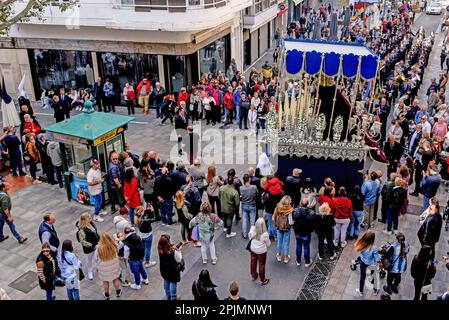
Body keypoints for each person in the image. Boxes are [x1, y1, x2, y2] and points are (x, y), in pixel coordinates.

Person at [94, 233, 122, 299]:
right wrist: (116, 239)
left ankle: (107, 294)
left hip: (104, 269)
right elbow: (120, 245)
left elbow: (95, 258)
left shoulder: (98, 249)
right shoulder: (114, 245)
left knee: (105, 281)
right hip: (114, 267)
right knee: (115, 279)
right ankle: (118, 292)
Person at [354, 230, 381, 297]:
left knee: (362, 278)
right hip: (372, 264)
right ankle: (375, 290)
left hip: (363, 263)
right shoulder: (374, 248)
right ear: (373, 239)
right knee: (374, 277)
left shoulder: (361, 244)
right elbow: (377, 258)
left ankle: (361, 291)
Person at [158, 234, 184, 300]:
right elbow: (179, 259)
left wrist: (173, 247)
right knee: (173, 283)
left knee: (166, 280)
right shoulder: (172, 252)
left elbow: (167, 248)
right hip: (173, 271)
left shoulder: (160, 249)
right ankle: (173, 297)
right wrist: (179, 251)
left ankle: (168, 295)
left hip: (164, 269)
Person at [75, 213, 99, 280]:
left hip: (96, 245)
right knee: (89, 260)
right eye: (89, 218)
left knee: (97, 257)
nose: (91, 219)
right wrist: (92, 245)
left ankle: (98, 268)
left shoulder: (91, 224)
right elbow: (82, 241)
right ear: (85, 220)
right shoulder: (81, 230)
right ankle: (90, 272)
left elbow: (95, 233)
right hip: (89, 248)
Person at [292, 198, 316, 267]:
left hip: (298, 231)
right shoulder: (311, 212)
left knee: (298, 245)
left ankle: (298, 261)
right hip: (306, 232)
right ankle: (307, 262)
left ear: (301, 203)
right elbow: (313, 223)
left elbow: (293, 219)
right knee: (306, 247)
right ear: (308, 204)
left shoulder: (295, 211)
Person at [248, 217, 271, 285]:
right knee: (261, 265)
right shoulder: (265, 234)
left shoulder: (252, 229)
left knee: (253, 262)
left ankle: (254, 275)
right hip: (261, 251)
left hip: (253, 249)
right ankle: (262, 279)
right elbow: (268, 244)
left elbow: (249, 237)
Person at [272, 195, 294, 264]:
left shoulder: (278, 207)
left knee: (279, 242)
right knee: (286, 243)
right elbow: (290, 221)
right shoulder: (290, 209)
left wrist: (275, 224)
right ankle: (286, 257)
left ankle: (279, 255)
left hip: (279, 227)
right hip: (287, 228)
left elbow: (273, 217)